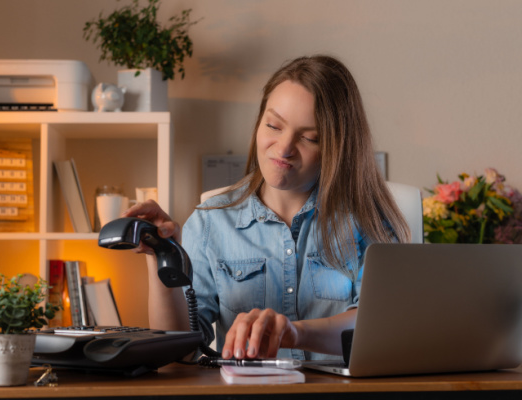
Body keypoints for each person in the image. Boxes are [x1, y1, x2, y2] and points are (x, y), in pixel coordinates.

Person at [122, 55, 410, 362]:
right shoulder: (209, 223)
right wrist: (162, 255)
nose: (284, 149)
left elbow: (380, 329)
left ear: (338, 147)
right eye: (273, 125)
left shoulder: (368, 221)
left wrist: (294, 332)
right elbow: (180, 353)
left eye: (310, 137)